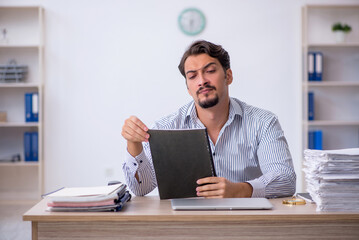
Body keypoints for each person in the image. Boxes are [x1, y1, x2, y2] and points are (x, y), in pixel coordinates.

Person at [121, 40, 296, 198]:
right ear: (188, 88)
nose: (202, 81)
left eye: (210, 71)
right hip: (185, 225)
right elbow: (141, 189)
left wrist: (241, 190)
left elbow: (286, 179)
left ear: (228, 76)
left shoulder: (264, 122)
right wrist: (133, 144)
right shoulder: (165, 127)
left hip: (244, 223)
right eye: (192, 76)